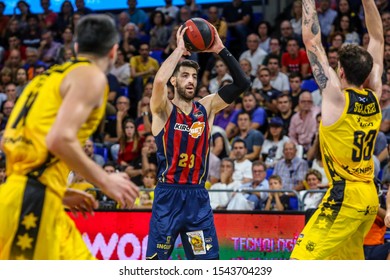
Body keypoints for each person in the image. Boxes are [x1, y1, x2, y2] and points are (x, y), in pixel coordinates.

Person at [0, 14, 139, 260]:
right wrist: (105, 181)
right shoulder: (91, 76)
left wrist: (60, 191)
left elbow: (12, 146)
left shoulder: (44, 79)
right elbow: (59, 139)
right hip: (32, 204)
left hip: (30, 194)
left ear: (76, 47)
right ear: (113, 50)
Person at [146, 24, 250, 260]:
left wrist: (220, 48)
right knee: (155, 263)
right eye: (184, 75)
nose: (190, 80)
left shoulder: (206, 107)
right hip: (168, 199)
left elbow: (242, 83)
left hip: (197, 201)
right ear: (174, 81)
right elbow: (159, 83)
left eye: (193, 76)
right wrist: (179, 48)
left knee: (206, 265)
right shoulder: (163, 110)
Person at [291, 0, 384, 260]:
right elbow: (377, 37)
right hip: (368, 195)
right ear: (367, 74)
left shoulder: (336, 99)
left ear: (340, 71)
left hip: (346, 195)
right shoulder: (375, 95)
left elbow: (312, 42)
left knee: (299, 261)